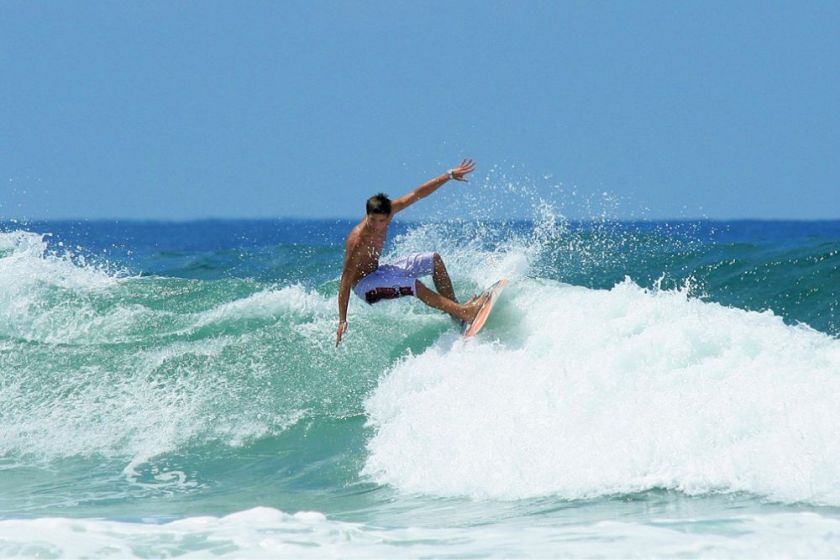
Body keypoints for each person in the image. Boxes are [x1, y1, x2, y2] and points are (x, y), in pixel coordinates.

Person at [336, 159, 488, 346]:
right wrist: (342, 319)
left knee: (434, 260)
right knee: (414, 285)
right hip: (365, 286)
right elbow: (345, 279)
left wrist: (448, 175)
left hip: (379, 272)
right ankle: (464, 312)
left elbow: (418, 194)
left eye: (381, 221)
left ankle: (458, 313)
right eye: (372, 220)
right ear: (367, 215)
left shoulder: (390, 210)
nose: (377, 226)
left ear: (388, 215)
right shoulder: (357, 240)